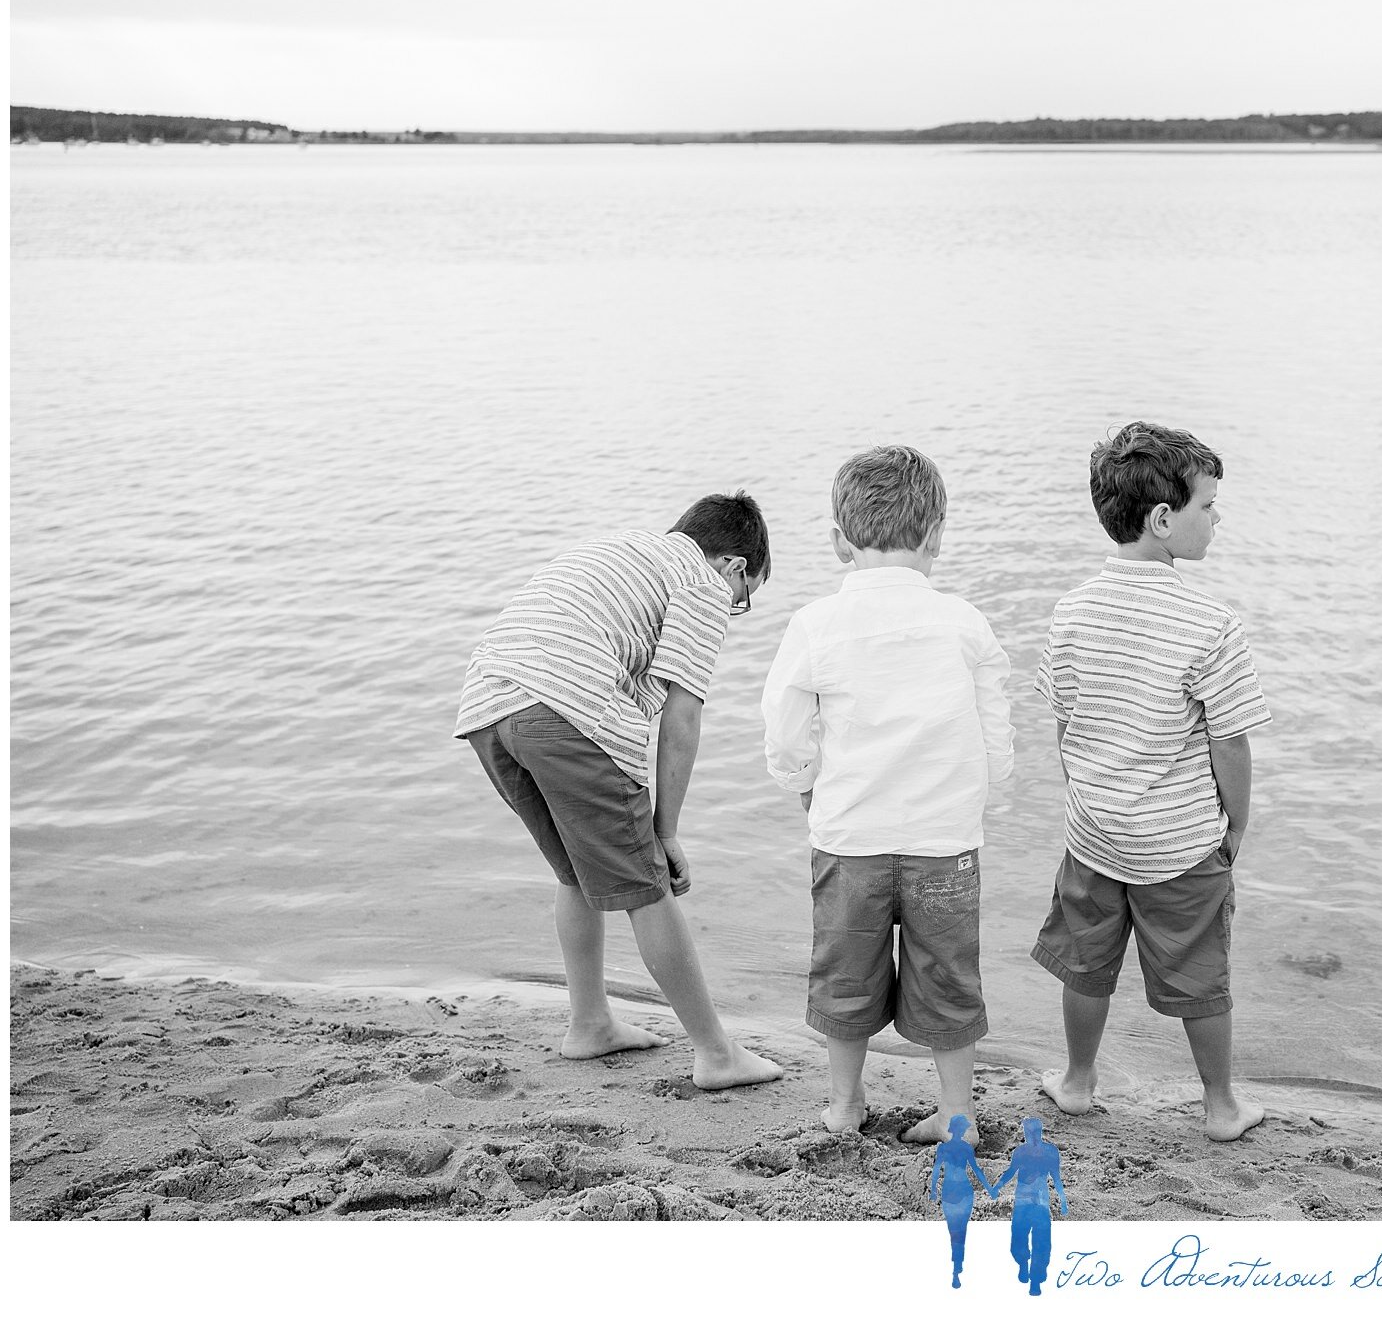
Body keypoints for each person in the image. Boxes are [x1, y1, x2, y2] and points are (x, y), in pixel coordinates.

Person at [456, 492, 783, 1090]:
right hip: (564, 706)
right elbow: (682, 717)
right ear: (734, 566)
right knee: (646, 885)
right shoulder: (702, 581)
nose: (734, 608)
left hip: (486, 704)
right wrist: (666, 831)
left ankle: (590, 1023)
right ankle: (716, 1053)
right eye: (745, 600)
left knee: (578, 873)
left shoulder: (620, 547)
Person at [762, 445, 1015, 1144]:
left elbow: (785, 730)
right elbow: (996, 735)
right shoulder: (964, 621)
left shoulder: (815, 624)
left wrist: (804, 790)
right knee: (949, 976)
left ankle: (844, 1104)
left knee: (844, 975)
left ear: (838, 540)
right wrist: (981, 805)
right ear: (936, 534)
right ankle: (958, 1113)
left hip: (850, 840)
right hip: (944, 843)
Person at [1032, 422, 1271, 1141]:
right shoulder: (1211, 623)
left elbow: (1065, 723)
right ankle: (1221, 1105)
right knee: (1201, 974)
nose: (1216, 519)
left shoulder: (1072, 611)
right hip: (1179, 843)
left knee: (1086, 964)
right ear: (1164, 521)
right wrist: (1235, 826)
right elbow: (1229, 741)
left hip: (1095, 833)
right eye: (1208, 506)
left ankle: (1076, 1082)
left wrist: (1089, 797)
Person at [992, 1117, 1067, 1296]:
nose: (1030, 1135)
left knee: (1039, 1242)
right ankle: (1024, 1265)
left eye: (1031, 1132)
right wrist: (998, 1186)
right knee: (1022, 1239)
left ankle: (1035, 1280)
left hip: (1038, 1203)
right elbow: (1012, 1171)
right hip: (1025, 1201)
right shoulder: (1023, 1152)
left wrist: (1063, 1200)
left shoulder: (1049, 1152)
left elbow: (1056, 1177)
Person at [929, 1113, 994, 1288]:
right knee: (960, 1230)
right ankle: (957, 1267)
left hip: (953, 1189)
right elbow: (976, 1170)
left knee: (954, 1229)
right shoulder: (963, 1148)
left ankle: (956, 1268)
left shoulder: (945, 1148)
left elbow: (937, 1171)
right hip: (962, 1189)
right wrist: (989, 1188)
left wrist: (934, 1189)